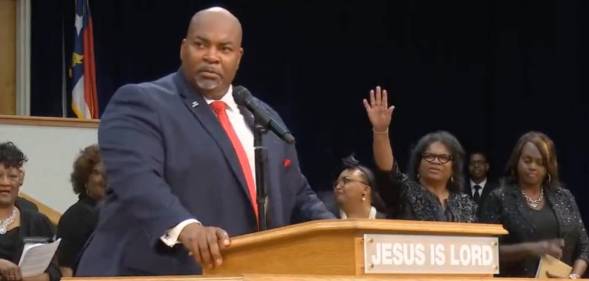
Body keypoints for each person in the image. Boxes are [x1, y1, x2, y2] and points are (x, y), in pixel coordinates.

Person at [76, 7, 334, 276]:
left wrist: (346, 233)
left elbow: (297, 193)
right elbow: (138, 180)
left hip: (243, 271)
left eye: (224, 49)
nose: (211, 57)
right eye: (201, 45)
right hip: (149, 271)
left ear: (238, 57)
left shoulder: (262, 117)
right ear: (183, 48)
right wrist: (187, 228)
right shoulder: (141, 102)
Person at [479, 132, 588, 277]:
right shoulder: (499, 198)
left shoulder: (564, 197)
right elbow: (484, 252)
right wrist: (531, 248)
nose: (533, 166)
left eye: (540, 162)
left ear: (548, 167)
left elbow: (584, 247)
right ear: (517, 161)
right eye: (527, 160)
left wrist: (574, 277)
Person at [363, 86, 476, 222]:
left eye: (443, 158)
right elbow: (387, 170)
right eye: (429, 156)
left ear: (454, 167)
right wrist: (381, 131)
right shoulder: (405, 191)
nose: (435, 161)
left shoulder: (465, 204)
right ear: (418, 163)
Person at [0, 142, 60, 281]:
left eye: (12, 176)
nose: (5, 182)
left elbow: (55, 272)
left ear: (21, 179)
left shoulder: (38, 222)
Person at [57, 145, 106, 277]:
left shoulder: (116, 213)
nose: (104, 178)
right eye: (96, 173)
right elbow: (65, 268)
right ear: (85, 178)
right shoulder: (76, 215)